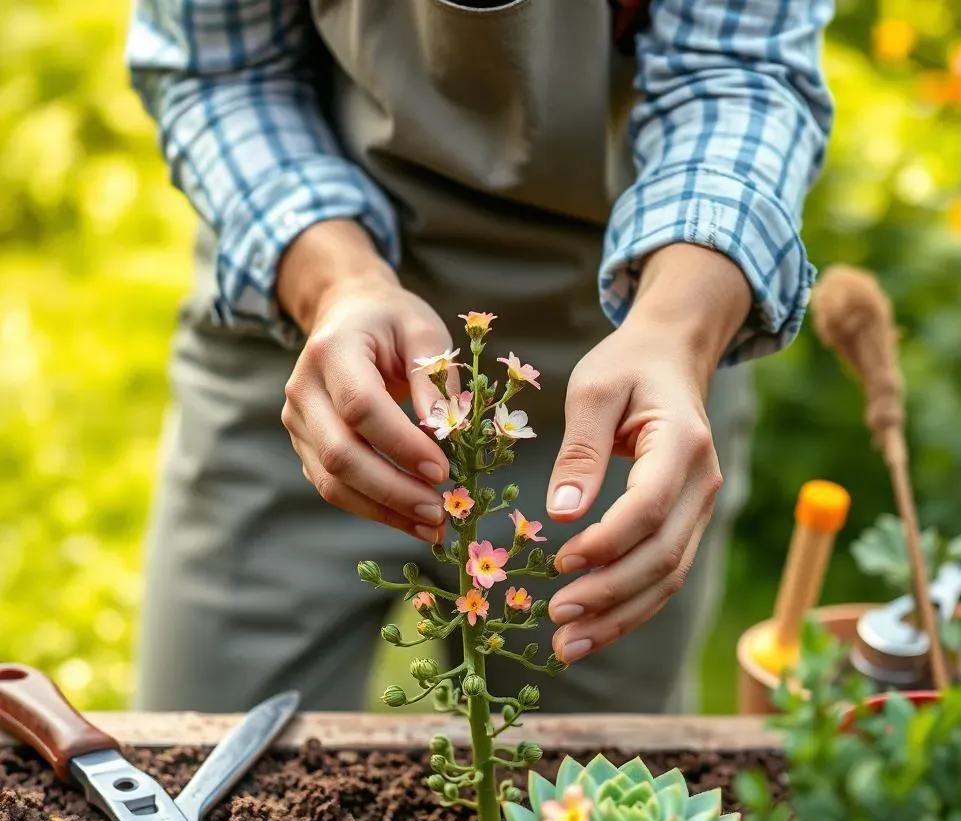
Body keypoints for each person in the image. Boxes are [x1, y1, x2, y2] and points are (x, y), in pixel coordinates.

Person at [126, 0, 833, 714]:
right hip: (305, 335)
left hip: (612, 372)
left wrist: (677, 332)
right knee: (207, 777)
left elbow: (740, 74)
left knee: (582, 794)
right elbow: (223, 67)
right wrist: (337, 284)